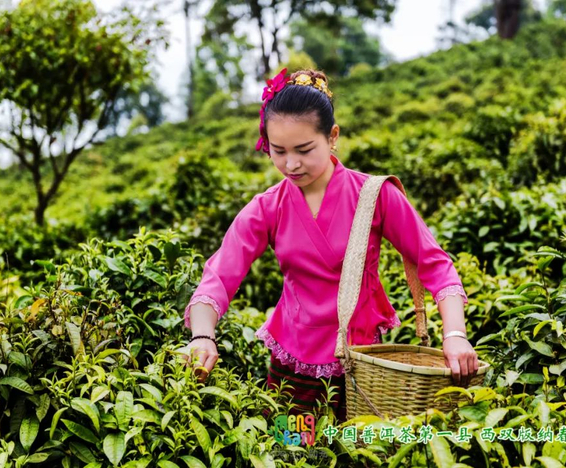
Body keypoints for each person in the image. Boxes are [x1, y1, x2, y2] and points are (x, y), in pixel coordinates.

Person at [182, 68, 479, 423]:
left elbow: (434, 263)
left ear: (332, 136)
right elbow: (220, 275)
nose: (291, 164)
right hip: (291, 371)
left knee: (364, 448)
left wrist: (455, 335)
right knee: (290, 448)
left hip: (363, 367)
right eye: (278, 151)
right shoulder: (268, 207)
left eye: (304, 150)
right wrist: (202, 336)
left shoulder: (375, 196)